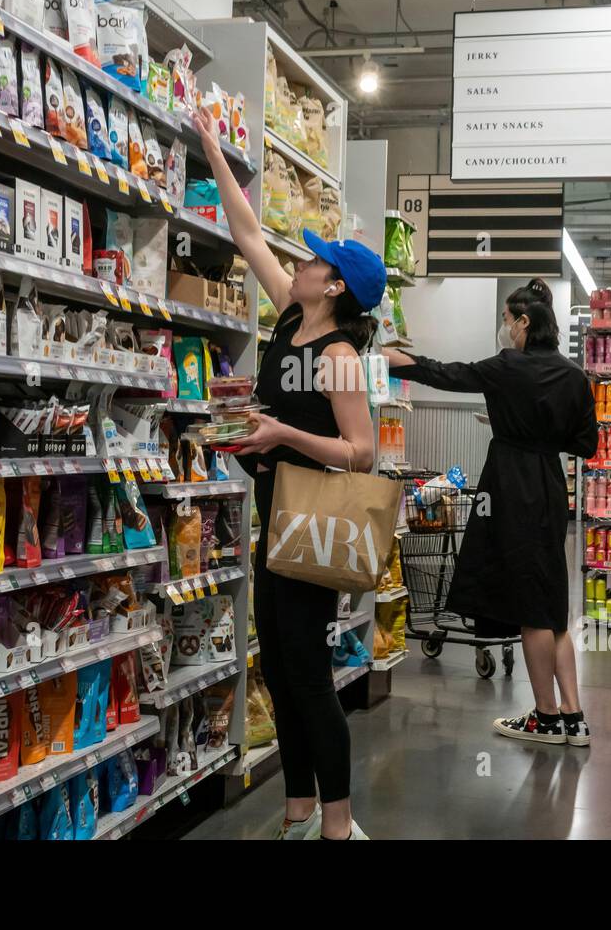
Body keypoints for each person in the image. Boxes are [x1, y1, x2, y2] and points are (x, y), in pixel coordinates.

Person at [194, 108, 383, 840]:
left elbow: (361, 451)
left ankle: (338, 826)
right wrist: (213, 147)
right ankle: (297, 811)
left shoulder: (338, 353)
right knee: (277, 662)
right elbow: (246, 233)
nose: (298, 262)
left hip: (311, 520)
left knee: (307, 675)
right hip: (273, 508)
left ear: (333, 286)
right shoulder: (286, 322)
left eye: (312, 260)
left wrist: (282, 432)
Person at [383, 280, 599, 746]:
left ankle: (544, 715)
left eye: (506, 318)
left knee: (529, 608)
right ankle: (573, 715)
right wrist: (542, 434)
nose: (504, 327)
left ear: (523, 322)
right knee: (552, 603)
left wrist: (384, 357)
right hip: (549, 484)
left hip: (510, 485)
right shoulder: (575, 376)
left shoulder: (506, 367)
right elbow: (586, 444)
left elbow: (445, 374)